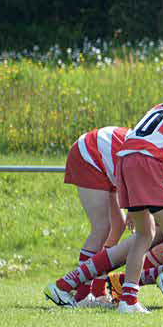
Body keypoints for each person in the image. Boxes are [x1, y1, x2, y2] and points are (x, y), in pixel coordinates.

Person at [51, 67, 163, 314]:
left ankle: (129, 300)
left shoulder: (159, 107)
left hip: (125, 161)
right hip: (146, 163)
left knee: (145, 234)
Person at [61, 125, 128, 305]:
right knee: (102, 227)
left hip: (109, 162)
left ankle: (98, 291)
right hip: (90, 154)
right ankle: (81, 295)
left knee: (118, 226)